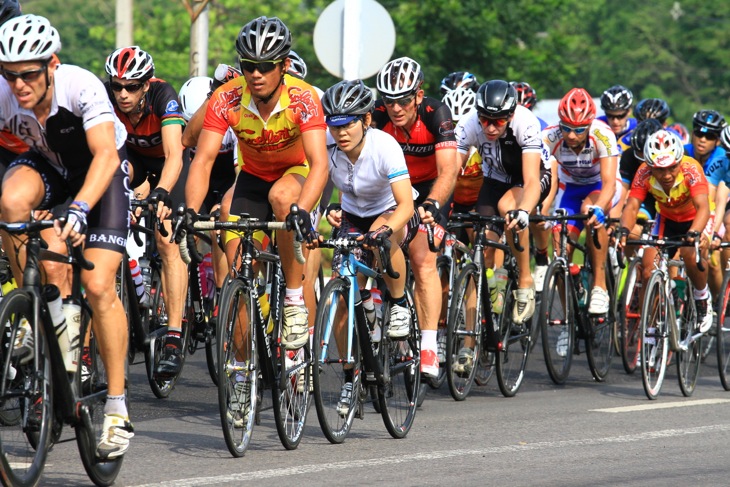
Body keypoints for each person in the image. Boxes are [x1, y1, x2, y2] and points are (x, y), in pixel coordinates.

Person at [0, 14, 133, 458]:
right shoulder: (4, 94)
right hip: (52, 171)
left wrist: (79, 209)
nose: (18, 85)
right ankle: (35, 316)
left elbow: (105, 156)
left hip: (101, 175)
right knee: (13, 201)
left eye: (28, 75)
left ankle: (116, 407)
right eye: (9, 74)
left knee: (97, 286)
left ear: (51, 64)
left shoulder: (81, 86)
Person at [184, 16, 328, 352]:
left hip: (296, 173)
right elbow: (202, 159)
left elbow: (320, 164)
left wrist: (303, 210)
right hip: (251, 178)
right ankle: (240, 373)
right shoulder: (227, 98)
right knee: (237, 278)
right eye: (249, 65)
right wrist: (190, 212)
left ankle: (293, 299)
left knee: (282, 197)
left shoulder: (303, 98)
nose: (256, 74)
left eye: (265, 66)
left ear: (284, 65)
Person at [320, 79, 419, 415]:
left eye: (348, 123)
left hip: (392, 210)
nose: (340, 132)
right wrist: (324, 210)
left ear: (366, 120)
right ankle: (350, 379)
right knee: (341, 290)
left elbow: (406, 204)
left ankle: (398, 300)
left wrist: (387, 228)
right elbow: (316, 183)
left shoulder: (384, 146)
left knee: (382, 235)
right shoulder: (327, 146)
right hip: (353, 213)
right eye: (334, 124)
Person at [104, 45, 189, 378]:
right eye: (117, 86)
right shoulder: (108, 98)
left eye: (132, 86)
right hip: (135, 163)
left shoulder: (163, 96)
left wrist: (161, 194)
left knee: (167, 238)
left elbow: (174, 155)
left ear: (146, 84)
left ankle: (173, 336)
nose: (123, 94)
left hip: (169, 165)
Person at [373, 56, 459, 378]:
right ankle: (386, 309)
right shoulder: (378, 115)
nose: (396, 108)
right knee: (377, 240)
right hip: (395, 186)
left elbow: (449, 170)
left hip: (430, 187)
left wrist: (435, 203)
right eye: (390, 100)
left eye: (404, 100)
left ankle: (429, 346)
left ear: (418, 96)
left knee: (422, 258)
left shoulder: (437, 114)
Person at [455, 80, 551, 329]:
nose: (489, 126)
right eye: (484, 119)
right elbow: (450, 172)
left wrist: (524, 211)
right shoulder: (468, 123)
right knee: (481, 250)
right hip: (495, 179)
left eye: (497, 121)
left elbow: (530, 180)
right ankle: (469, 342)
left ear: (510, 115)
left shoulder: (525, 121)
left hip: (531, 176)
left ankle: (525, 282)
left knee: (508, 208)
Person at [619, 129, 713, 334]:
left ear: (679, 161)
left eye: (671, 167)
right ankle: (650, 330)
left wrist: (695, 233)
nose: (667, 175)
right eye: (659, 170)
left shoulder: (691, 168)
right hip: (667, 219)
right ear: (650, 166)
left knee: (690, 253)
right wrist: (624, 230)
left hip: (696, 218)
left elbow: (703, 207)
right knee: (647, 268)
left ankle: (701, 297)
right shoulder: (643, 172)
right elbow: (632, 206)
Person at [541, 88, 620, 315]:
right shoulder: (549, 137)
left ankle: (599, 287)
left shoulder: (603, 134)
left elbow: (609, 184)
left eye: (579, 129)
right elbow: (540, 178)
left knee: (590, 212)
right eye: (566, 128)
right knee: (559, 246)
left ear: (589, 124)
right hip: (570, 188)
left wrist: (600, 208)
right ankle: (569, 319)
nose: (572, 135)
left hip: (598, 186)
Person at [178, 75, 237, 295]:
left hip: (227, 182)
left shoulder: (231, 119)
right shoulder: (186, 130)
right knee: (183, 229)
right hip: (201, 183)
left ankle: (221, 297)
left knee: (218, 227)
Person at [597, 84, 637, 153]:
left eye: (620, 116)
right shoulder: (597, 125)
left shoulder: (637, 126)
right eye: (610, 115)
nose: (615, 121)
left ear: (629, 111)